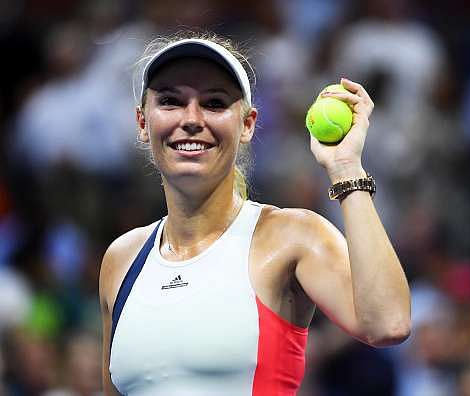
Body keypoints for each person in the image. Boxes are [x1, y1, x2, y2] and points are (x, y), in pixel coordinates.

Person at [99, 32, 411, 396]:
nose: (192, 119)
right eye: (171, 101)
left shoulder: (291, 237)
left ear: (247, 124)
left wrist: (345, 168)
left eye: (214, 103)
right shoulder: (121, 259)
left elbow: (388, 323)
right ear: (142, 122)